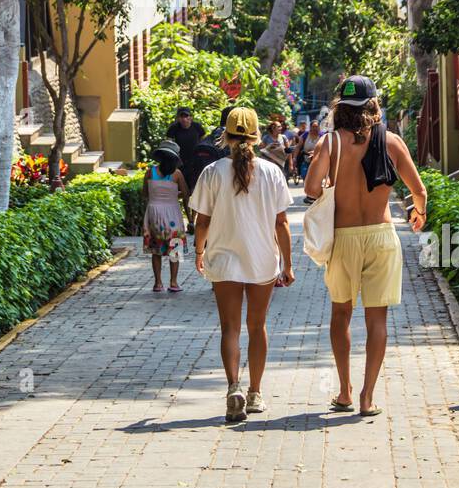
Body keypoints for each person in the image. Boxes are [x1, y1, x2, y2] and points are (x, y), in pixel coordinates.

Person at [304, 75, 427, 418]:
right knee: (377, 320)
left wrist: (328, 172)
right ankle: (366, 397)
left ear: (339, 108)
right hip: (381, 238)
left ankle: (343, 390)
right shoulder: (391, 142)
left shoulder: (331, 143)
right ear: (373, 105)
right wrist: (419, 212)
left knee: (341, 314)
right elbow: (419, 191)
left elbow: (312, 189)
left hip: (344, 239)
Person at [191, 107, 294, 422]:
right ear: (257, 136)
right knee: (257, 326)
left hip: (223, 260)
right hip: (262, 259)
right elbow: (282, 223)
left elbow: (202, 221)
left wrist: (198, 251)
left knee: (230, 328)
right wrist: (288, 264)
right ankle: (255, 393)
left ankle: (234, 386)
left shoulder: (211, 172)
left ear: (226, 135)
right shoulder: (272, 172)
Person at [142, 140, 190, 294]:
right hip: (172, 215)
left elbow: (144, 193)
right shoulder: (177, 174)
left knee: (156, 250)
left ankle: (157, 283)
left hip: (154, 214)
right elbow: (186, 194)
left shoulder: (150, 172)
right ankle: (174, 282)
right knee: (174, 248)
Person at [165, 107, 205, 188]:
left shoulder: (197, 127)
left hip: (194, 160)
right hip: (180, 161)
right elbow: (169, 144)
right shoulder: (174, 128)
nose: (184, 119)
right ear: (178, 118)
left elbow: (203, 140)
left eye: (186, 116)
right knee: (180, 185)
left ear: (190, 117)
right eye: (181, 116)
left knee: (193, 185)